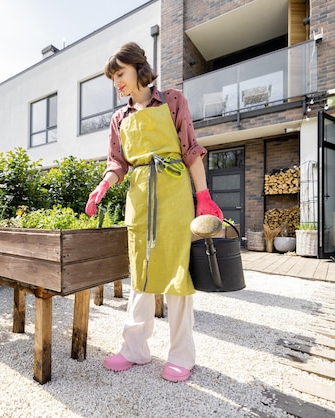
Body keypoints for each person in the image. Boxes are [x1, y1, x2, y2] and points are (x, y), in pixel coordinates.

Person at [85, 42, 223, 382]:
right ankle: (135, 350)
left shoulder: (173, 100)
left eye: (119, 74)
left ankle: (181, 355)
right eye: (112, 78)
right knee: (141, 275)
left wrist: (203, 196)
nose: (116, 82)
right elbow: (117, 162)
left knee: (178, 273)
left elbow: (190, 150)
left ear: (137, 67)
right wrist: (104, 184)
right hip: (140, 196)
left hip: (174, 192)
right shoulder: (120, 118)